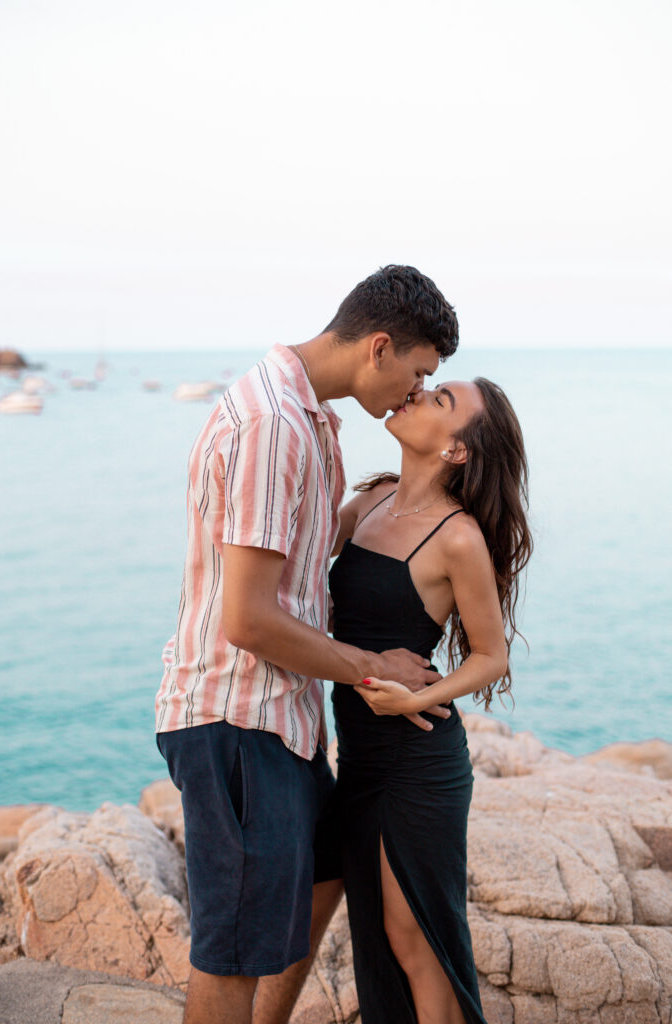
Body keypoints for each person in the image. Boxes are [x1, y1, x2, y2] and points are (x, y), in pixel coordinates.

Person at [154, 265, 460, 1024]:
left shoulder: (309, 419)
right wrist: (370, 668)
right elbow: (249, 620)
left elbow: (300, 576)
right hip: (236, 717)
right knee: (233, 954)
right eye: (418, 373)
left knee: (326, 873)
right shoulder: (275, 426)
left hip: (280, 722)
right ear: (379, 347)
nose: (415, 393)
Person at [328, 377, 533, 1024]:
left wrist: (413, 697)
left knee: (415, 939)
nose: (416, 395)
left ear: (457, 451)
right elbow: (301, 565)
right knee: (380, 935)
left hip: (416, 760)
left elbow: (489, 655)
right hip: (358, 755)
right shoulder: (372, 499)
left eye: (439, 401)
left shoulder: (457, 538)